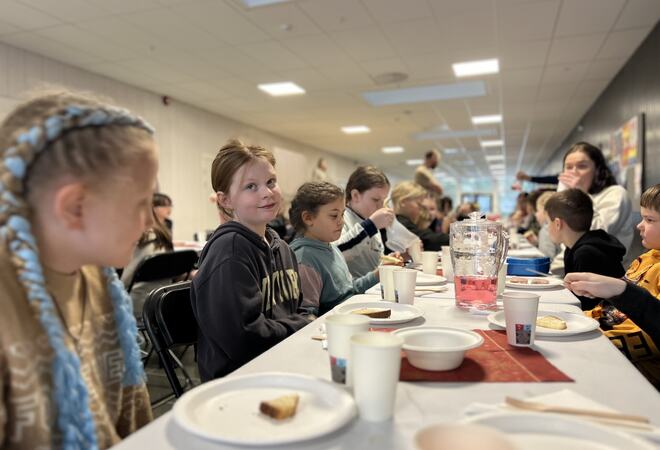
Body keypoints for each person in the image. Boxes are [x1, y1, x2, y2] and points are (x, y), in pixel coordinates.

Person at [0, 91, 154, 448]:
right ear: (74, 206)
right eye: (140, 202)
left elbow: (131, 421)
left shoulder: (101, 281)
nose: (149, 221)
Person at [191, 140, 309, 381]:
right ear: (225, 200)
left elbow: (297, 309)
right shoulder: (229, 253)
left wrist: (305, 321)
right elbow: (243, 339)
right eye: (251, 187)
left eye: (271, 182)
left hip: (281, 362)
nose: (266, 193)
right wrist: (303, 325)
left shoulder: (282, 248)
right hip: (239, 381)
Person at [565, 183, 660, 387]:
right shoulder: (646, 258)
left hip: (639, 374)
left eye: (650, 219)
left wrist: (620, 290)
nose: (639, 225)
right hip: (604, 345)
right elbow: (610, 311)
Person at [290, 182, 379, 318]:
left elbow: (350, 290)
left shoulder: (331, 247)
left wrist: (377, 275)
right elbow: (307, 317)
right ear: (308, 218)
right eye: (334, 216)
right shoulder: (304, 260)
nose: (341, 221)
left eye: (342, 215)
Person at [545, 189, 625, 309]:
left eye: (547, 223)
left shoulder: (585, 254)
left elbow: (584, 305)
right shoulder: (572, 248)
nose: (547, 228)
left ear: (557, 223)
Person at [560, 142, 633, 256]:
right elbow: (559, 236)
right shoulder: (571, 200)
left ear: (597, 169)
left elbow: (594, 236)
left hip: (606, 270)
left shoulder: (616, 193)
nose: (573, 172)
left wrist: (578, 196)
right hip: (575, 264)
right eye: (568, 167)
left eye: (582, 166)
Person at [334, 166, 396, 278]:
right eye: (376, 200)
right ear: (355, 195)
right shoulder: (341, 218)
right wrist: (370, 225)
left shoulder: (370, 220)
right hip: (353, 293)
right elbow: (336, 253)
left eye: (384, 200)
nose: (381, 206)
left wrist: (390, 260)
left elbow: (374, 265)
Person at [121, 197, 175, 319]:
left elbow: (125, 281)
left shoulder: (138, 240)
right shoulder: (164, 236)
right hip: (162, 300)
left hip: (138, 305)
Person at [391, 181, 449, 251]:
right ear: (403, 202)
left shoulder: (401, 221)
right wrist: (455, 238)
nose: (420, 209)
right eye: (419, 204)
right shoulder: (399, 222)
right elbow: (427, 239)